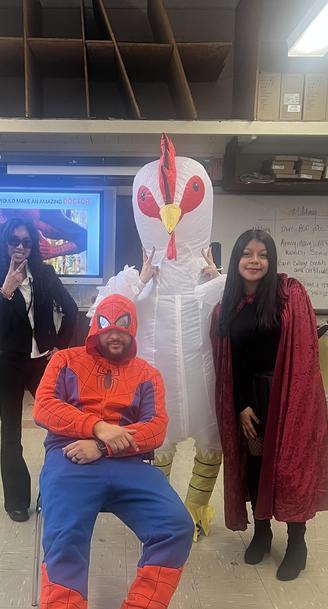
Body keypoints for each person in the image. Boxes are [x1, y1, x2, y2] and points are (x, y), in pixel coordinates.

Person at [13, 294, 194, 609]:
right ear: (96, 327)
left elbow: (156, 428)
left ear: (133, 330)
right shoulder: (65, 361)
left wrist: (104, 445)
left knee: (176, 526)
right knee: (66, 537)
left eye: (123, 328)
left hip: (128, 464)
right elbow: (45, 407)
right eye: (108, 326)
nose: (115, 335)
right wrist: (95, 426)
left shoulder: (147, 374)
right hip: (69, 458)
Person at [89, 135, 224, 540]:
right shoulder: (135, 281)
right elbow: (102, 315)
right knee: (155, 445)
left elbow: (241, 315)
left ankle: (196, 506)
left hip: (204, 381)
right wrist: (139, 281)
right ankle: (162, 513)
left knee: (211, 443)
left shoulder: (212, 279)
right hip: (155, 382)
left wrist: (217, 280)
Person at [211, 229, 328, 581]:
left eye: (262, 255)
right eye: (247, 254)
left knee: (290, 469)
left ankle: (297, 543)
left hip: (288, 397)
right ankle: (261, 532)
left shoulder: (288, 296)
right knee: (255, 464)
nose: (255, 261)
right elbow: (229, 365)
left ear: (271, 260)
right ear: (236, 260)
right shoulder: (227, 306)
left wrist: (296, 403)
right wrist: (240, 405)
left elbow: (305, 355)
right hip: (250, 400)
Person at [0, 217, 78, 522]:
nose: (20, 247)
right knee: (11, 433)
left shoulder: (44, 275)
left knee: (60, 426)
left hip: (42, 362)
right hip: (8, 362)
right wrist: (7, 290)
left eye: (26, 242)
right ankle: (16, 501)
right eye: (14, 241)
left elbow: (71, 310)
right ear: (4, 243)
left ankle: (53, 493)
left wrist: (60, 346)